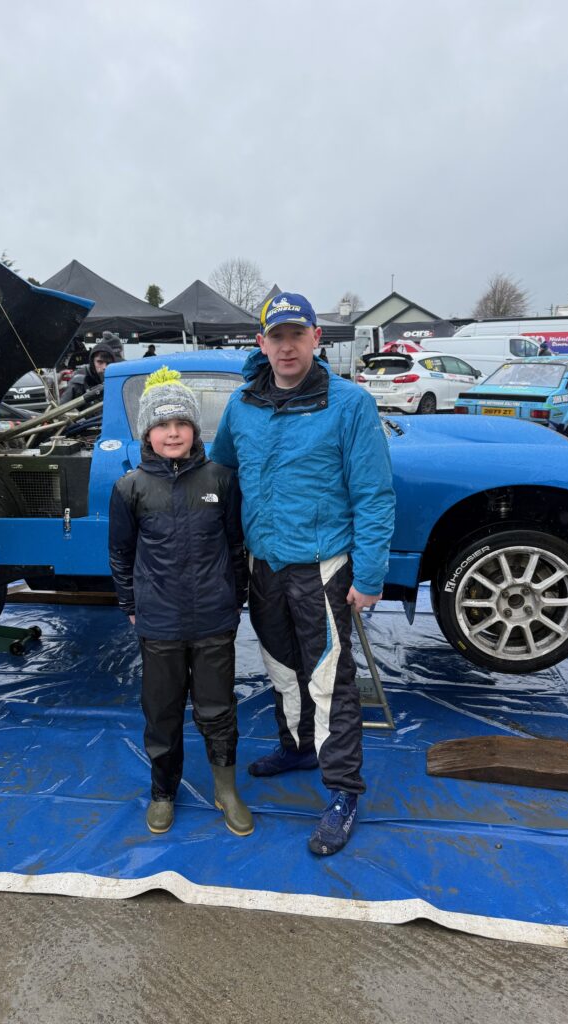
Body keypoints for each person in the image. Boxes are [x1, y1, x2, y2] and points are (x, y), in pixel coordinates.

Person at [210, 292, 395, 856]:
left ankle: (343, 792)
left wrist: (370, 575)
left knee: (329, 680)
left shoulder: (350, 404)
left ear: (316, 338)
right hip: (264, 563)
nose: (286, 346)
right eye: (276, 336)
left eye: (297, 334)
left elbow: (374, 494)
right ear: (261, 343)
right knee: (281, 667)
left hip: (322, 568)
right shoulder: (242, 404)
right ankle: (296, 746)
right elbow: (222, 470)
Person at [109, 367, 252, 837]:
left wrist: (236, 597)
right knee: (162, 711)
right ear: (147, 433)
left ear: (194, 429)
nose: (173, 433)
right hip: (160, 623)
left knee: (217, 708)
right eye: (162, 425)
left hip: (213, 619)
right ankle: (163, 791)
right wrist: (131, 604)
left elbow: (236, 544)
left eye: (181, 424)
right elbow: (121, 553)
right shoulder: (130, 488)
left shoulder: (221, 479)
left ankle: (226, 789)